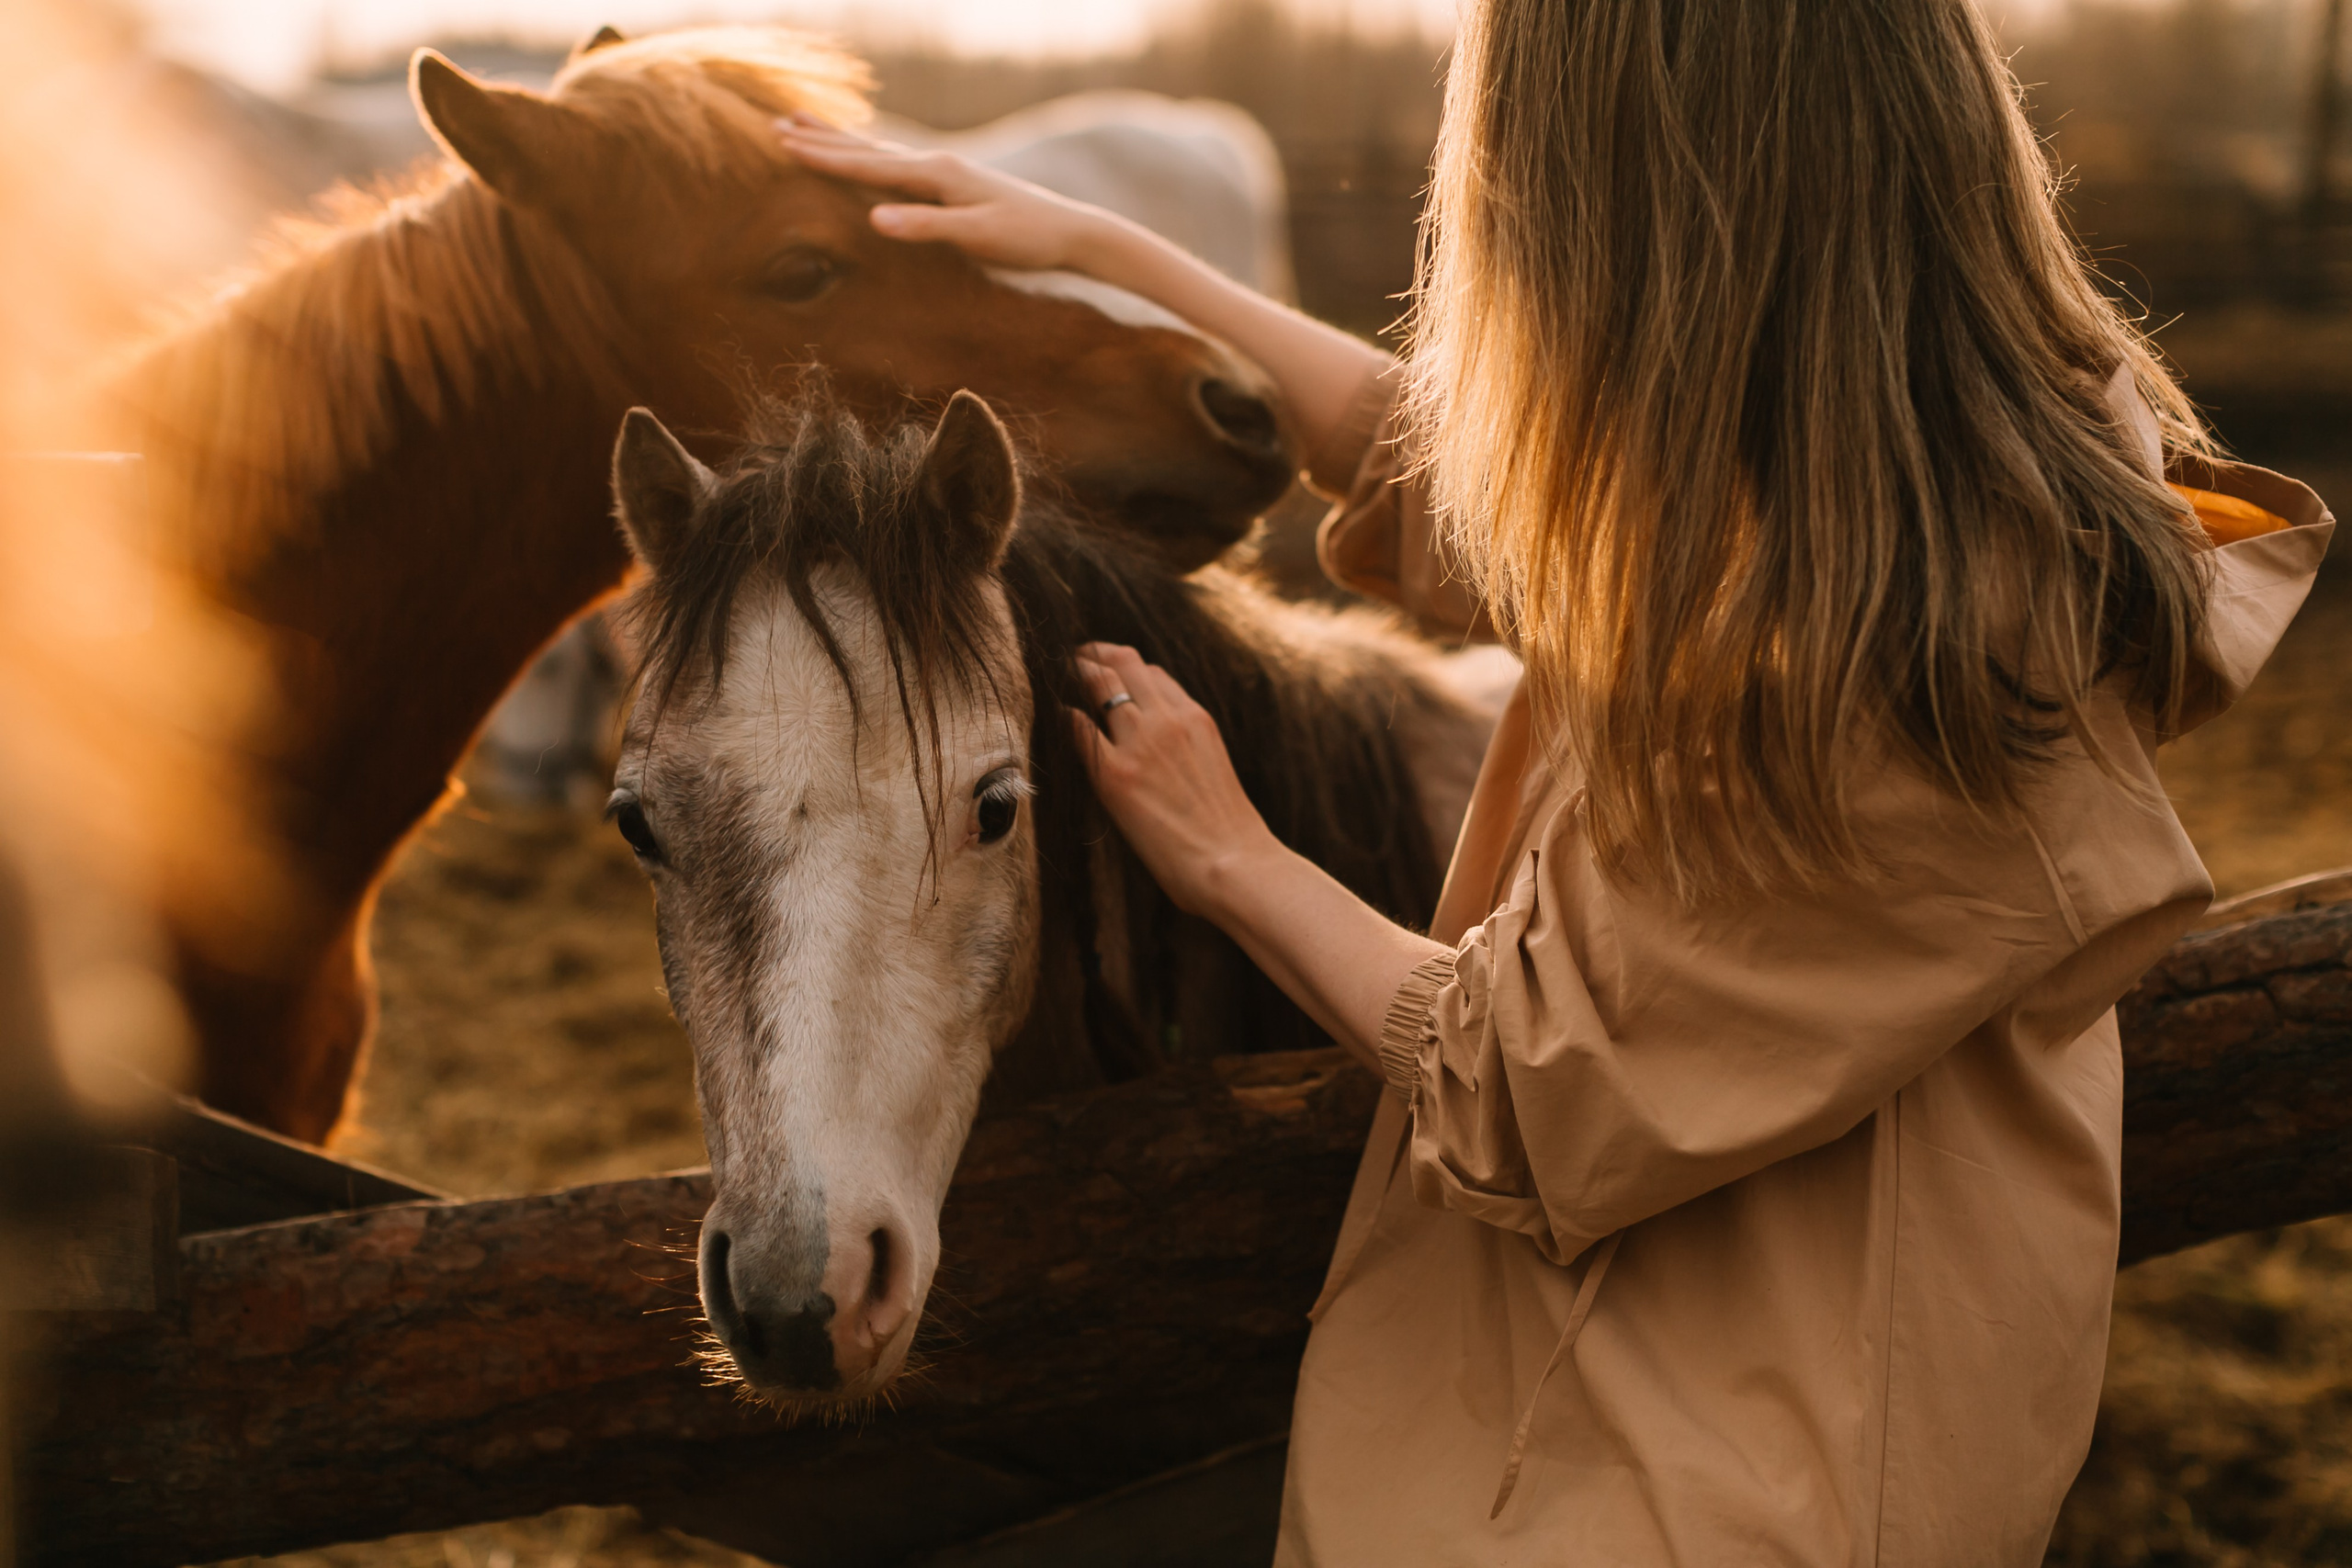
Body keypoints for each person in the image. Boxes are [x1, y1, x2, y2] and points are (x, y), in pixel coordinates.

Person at [776, 1, 2335, 1560]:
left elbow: (1528, 1091)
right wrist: (1123, 259)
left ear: (1637, 212)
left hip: (1702, 1497)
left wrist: (1231, 853)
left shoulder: (1892, 690)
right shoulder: (1898, 519)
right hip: (1647, 1436)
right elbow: (1502, 512)